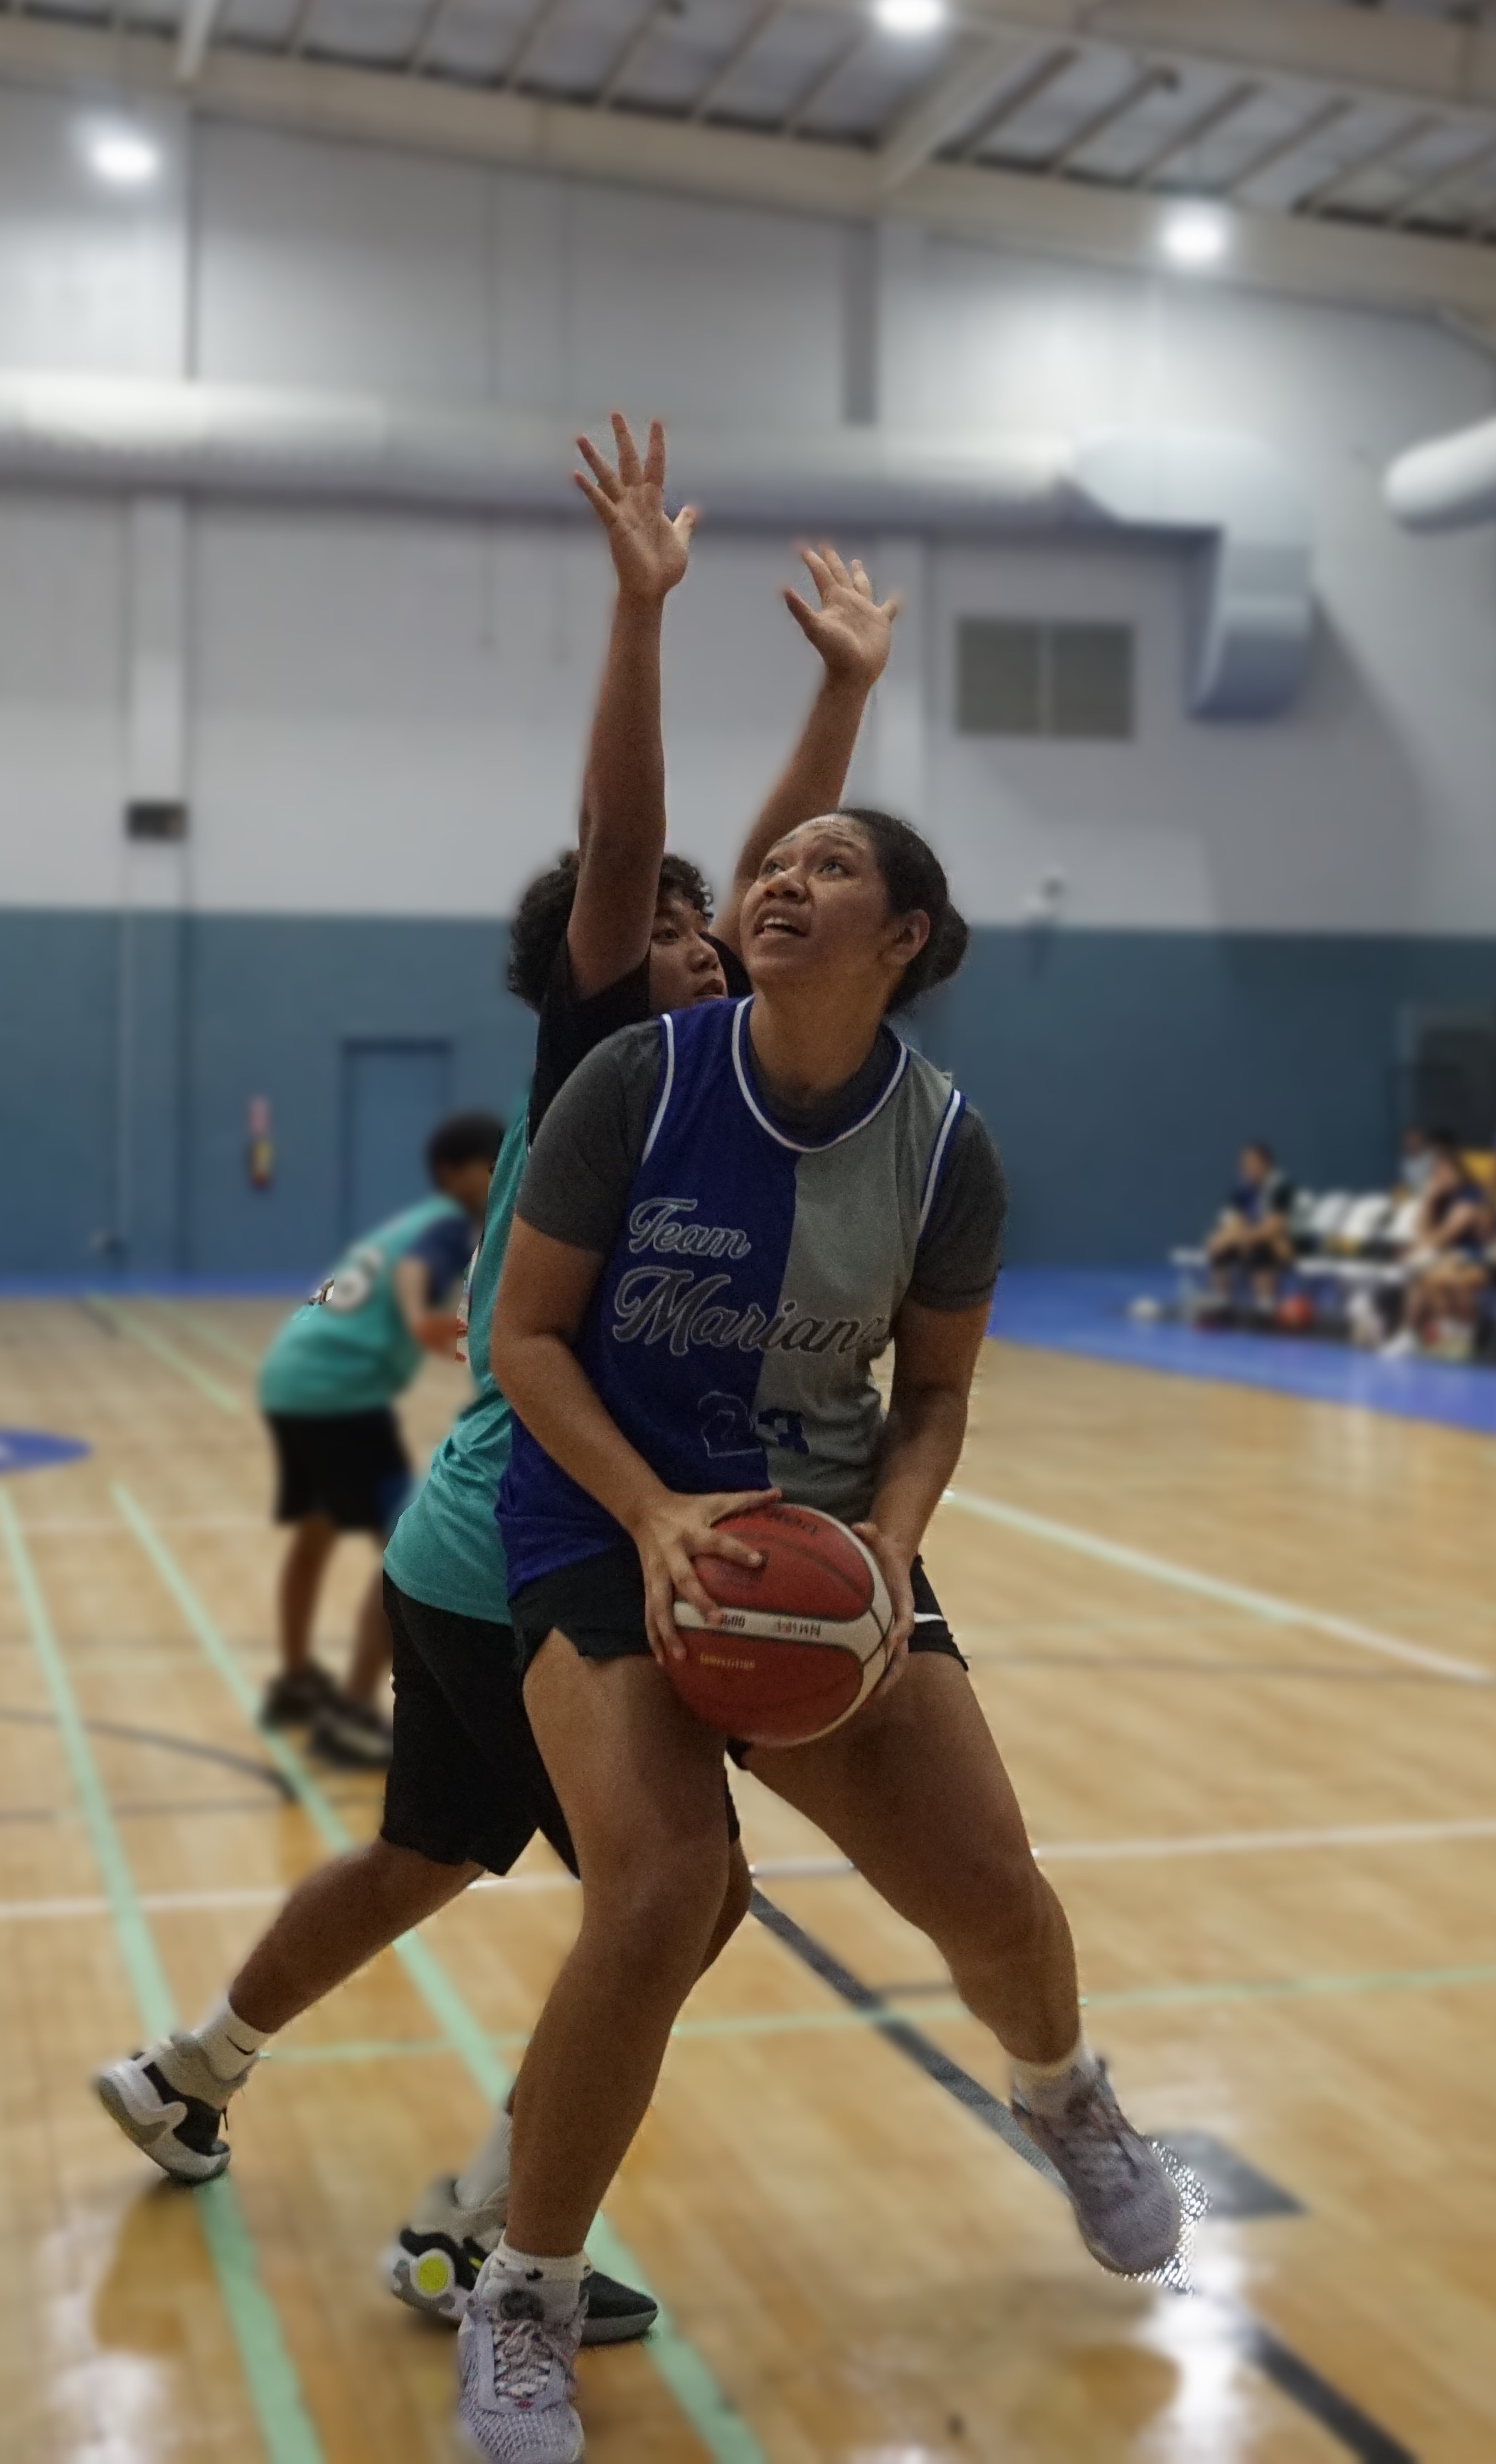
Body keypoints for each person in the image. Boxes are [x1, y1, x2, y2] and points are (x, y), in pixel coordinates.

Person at [93, 420, 899, 2352]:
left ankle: (193, 2068)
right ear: (616, 973)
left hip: (461, 1539)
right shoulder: (610, 1058)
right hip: (529, 1532)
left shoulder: (717, 1073)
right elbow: (628, 853)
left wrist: (839, 690)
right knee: (680, 1902)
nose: (724, 931)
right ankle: (478, 2226)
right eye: (688, 930)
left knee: (426, 1853)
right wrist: (639, 620)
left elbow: (767, 863)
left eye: (736, 919)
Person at [465, 804, 1174, 2461]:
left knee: (991, 1888)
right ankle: (524, 2294)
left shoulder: (943, 1149)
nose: (781, 876)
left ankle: (1064, 2089)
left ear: (903, 936)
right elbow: (526, 1336)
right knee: (655, 1893)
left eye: (831, 865)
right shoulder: (637, 1083)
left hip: (822, 1531)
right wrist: (650, 1518)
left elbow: (931, 1392)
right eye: (772, 860)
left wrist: (889, 1549)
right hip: (602, 1513)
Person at [253, 1110, 505, 1768]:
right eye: (494, 1164)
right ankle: (349, 1711)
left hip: (293, 1374)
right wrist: (444, 1330)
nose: (502, 1176)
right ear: (458, 1172)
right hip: (339, 1395)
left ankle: (295, 1682)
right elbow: (410, 1287)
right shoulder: (450, 1227)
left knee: (313, 1536)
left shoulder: (410, 1222)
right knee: (406, 1549)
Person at [1387, 1128, 1496, 1358]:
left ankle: (1455, 1333)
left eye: (1445, 1170)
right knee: (1422, 1275)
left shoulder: (1471, 1195)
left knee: (1428, 1271)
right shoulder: (1438, 1197)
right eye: (1436, 1172)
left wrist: (1421, 1251)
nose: (1440, 1176)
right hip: (1444, 1258)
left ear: (1458, 1171)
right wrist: (1429, 1198)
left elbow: (1445, 1235)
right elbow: (1420, 1233)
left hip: (1474, 1260)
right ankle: (1413, 1335)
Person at [1200, 1140, 1298, 1316]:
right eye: (1243, 1163)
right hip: (1251, 1236)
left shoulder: (1282, 1188)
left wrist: (1242, 1238)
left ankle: (1265, 1307)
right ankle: (1222, 1304)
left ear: (1266, 1164)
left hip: (1286, 1242)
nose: (1246, 1167)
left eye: (1251, 1163)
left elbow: (1274, 1227)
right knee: (1220, 1248)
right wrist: (1221, 1240)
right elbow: (1234, 1221)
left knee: (1260, 1247)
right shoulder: (1242, 1189)